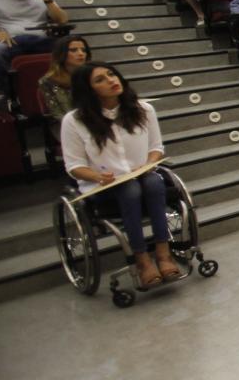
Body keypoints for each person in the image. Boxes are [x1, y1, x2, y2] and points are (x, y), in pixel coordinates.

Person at [62, 62, 179, 287]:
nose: (111, 80)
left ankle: (164, 253)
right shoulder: (74, 121)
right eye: (100, 80)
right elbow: (74, 166)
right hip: (102, 186)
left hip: (142, 175)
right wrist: (97, 176)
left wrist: (148, 163)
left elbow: (156, 148)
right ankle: (142, 260)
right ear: (89, 90)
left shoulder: (143, 109)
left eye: (111, 74)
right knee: (130, 188)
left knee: (154, 182)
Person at [38, 35, 92, 141]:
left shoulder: (93, 74)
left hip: (96, 120)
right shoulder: (48, 81)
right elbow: (59, 114)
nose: (81, 53)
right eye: (73, 50)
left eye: (83, 50)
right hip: (66, 125)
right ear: (61, 54)